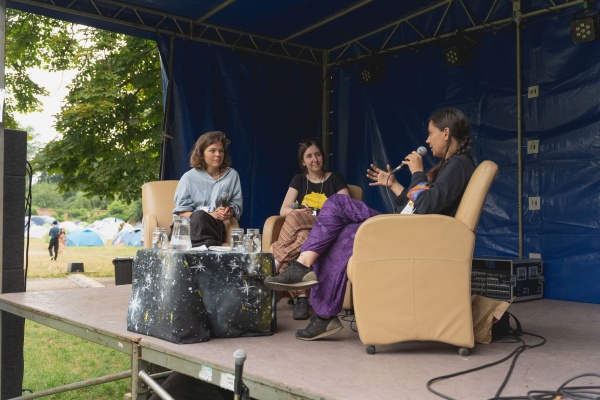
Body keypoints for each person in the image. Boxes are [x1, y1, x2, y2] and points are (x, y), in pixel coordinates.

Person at [264, 107, 476, 340]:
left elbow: (426, 206)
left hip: (412, 235)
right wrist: (392, 184)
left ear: (446, 133)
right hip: (409, 229)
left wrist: (418, 173)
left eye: (431, 133)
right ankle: (324, 315)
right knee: (343, 234)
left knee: (337, 202)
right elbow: (417, 206)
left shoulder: (459, 165)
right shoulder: (452, 165)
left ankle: (301, 265)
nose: (427, 140)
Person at [272, 138, 349, 320]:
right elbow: (283, 210)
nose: (314, 159)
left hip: (327, 228)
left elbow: (346, 208)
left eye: (318, 154)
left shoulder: (335, 179)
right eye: (309, 156)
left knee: (295, 218)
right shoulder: (299, 180)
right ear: (303, 162)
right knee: (303, 236)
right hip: (306, 229)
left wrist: (315, 213)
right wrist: (300, 211)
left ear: (323, 156)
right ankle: (301, 297)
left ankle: (274, 266)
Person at [173, 131, 242, 247]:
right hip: (187, 228)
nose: (218, 154)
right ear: (201, 154)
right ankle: (207, 249)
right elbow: (181, 213)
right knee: (200, 216)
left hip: (215, 228)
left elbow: (236, 206)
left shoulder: (232, 176)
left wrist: (228, 211)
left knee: (208, 234)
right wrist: (210, 215)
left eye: (221, 151)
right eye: (212, 150)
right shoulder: (188, 177)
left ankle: (200, 252)